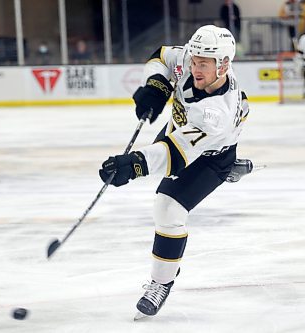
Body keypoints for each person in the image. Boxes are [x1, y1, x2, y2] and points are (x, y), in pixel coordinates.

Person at [98, 25, 252, 319]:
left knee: (167, 209)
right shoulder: (191, 59)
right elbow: (161, 56)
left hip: (210, 156)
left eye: (203, 64)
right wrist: (155, 85)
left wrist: (132, 165)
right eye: (194, 61)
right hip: (181, 135)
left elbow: (174, 154)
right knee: (161, 176)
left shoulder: (215, 114)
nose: (195, 67)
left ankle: (161, 282)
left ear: (224, 64)